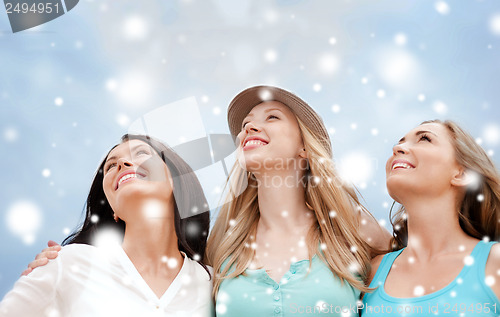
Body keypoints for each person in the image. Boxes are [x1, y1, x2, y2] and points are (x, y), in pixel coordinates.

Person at [206, 85, 391, 316]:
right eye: (245, 125)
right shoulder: (222, 244)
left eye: (272, 117)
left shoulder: (351, 229)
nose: (248, 128)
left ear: (304, 146)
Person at [0, 134, 212, 317]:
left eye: (141, 153)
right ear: (113, 209)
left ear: (176, 179)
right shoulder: (68, 263)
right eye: (111, 165)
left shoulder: (212, 284)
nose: (122, 164)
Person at [362, 120, 500, 316]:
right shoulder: (372, 273)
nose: (397, 147)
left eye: (424, 139)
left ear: (462, 174)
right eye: (400, 141)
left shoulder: (494, 263)